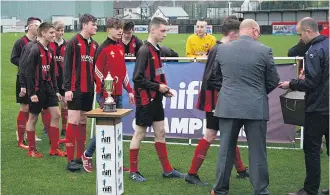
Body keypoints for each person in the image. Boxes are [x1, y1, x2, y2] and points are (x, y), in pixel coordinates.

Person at [211, 19, 280, 195]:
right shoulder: (264, 50)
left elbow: (214, 77)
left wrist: (229, 90)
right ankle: (260, 190)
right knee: (257, 152)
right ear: (255, 31)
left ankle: (219, 190)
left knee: (225, 150)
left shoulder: (222, 49)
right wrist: (257, 91)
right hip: (255, 107)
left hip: (228, 106)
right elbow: (274, 80)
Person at [185, 18, 249, 187]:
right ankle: (192, 174)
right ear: (234, 34)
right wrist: (231, 87)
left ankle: (241, 170)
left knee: (228, 132)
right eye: (240, 35)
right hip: (215, 98)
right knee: (211, 134)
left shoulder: (219, 48)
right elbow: (212, 78)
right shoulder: (220, 49)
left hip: (217, 97)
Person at [129, 17, 185, 182]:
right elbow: (137, 78)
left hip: (156, 98)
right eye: (162, 30)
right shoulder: (144, 50)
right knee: (139, 133)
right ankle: (133, 171)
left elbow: (156, 74)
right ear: (152, 30)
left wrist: (163, 89)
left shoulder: (157, 49)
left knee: (161, 132)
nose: (165, 34)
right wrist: (157, 87)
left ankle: (167, 170)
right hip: (145, 100)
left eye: (165, 31)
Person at [278, 17, 329, 195]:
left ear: (308, 31)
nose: (300, 38)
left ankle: (309, 190)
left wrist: (292, 83)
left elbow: (311, 83)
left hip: (318, 107)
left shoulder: (314, 50)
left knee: (312, 150)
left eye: (300, 34)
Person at [81, 17, 134, 173]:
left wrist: (129, 89)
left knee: (116, 128)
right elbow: (97, 72)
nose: (120, 31)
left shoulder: (120, 47)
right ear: (109, 29)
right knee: (105, 129)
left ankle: (116, 161)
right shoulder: (102, 48)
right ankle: (87, 155)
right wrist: (105, 94)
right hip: (106, 95)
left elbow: (123, 71)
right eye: (116, 28)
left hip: (118, 95)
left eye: (121, 28)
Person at [63, 14, 98, 172]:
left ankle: (79, 156)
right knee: (74, 120)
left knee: (83, 121)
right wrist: (67, 88)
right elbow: (67, 66)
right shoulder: (73, 42)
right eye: (93, 24)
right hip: (75, 88)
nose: (96, 27)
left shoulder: (95, 45)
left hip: (89, 90)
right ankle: (70, 159)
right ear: (84, 25)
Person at [25, 22, 66, 158]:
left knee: (56, 115)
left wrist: (56, 90)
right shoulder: (34, 50)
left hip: (49, 88)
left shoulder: (50, 50)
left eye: (55, 33)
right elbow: (29, 73)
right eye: (51, 33)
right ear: (42, 33)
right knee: (33, 118)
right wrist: (32, 93)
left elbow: (52, 73)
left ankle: (54, 148)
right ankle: (31, 150)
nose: (54, 35)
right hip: (37, 89)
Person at [11, 17, 47, 149]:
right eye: (37, 25)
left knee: (34, 110)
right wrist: (26, 65)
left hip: (37, 80)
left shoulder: (40, 42)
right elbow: (13, 58)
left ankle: (30, 133)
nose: (39, 27)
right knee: (25, 108)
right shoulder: (21, 42)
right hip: (23, 79)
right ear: (30, 26)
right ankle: (20, 137)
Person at [49, 21, 67, 138]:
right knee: (51, 105)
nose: (60, 33)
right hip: (51, 79)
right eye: (58, 30)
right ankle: (49, 128)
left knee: (65, 104)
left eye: (62, 30)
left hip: (64, 79)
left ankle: (64, 129)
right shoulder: (49, 45)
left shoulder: (68, 44)